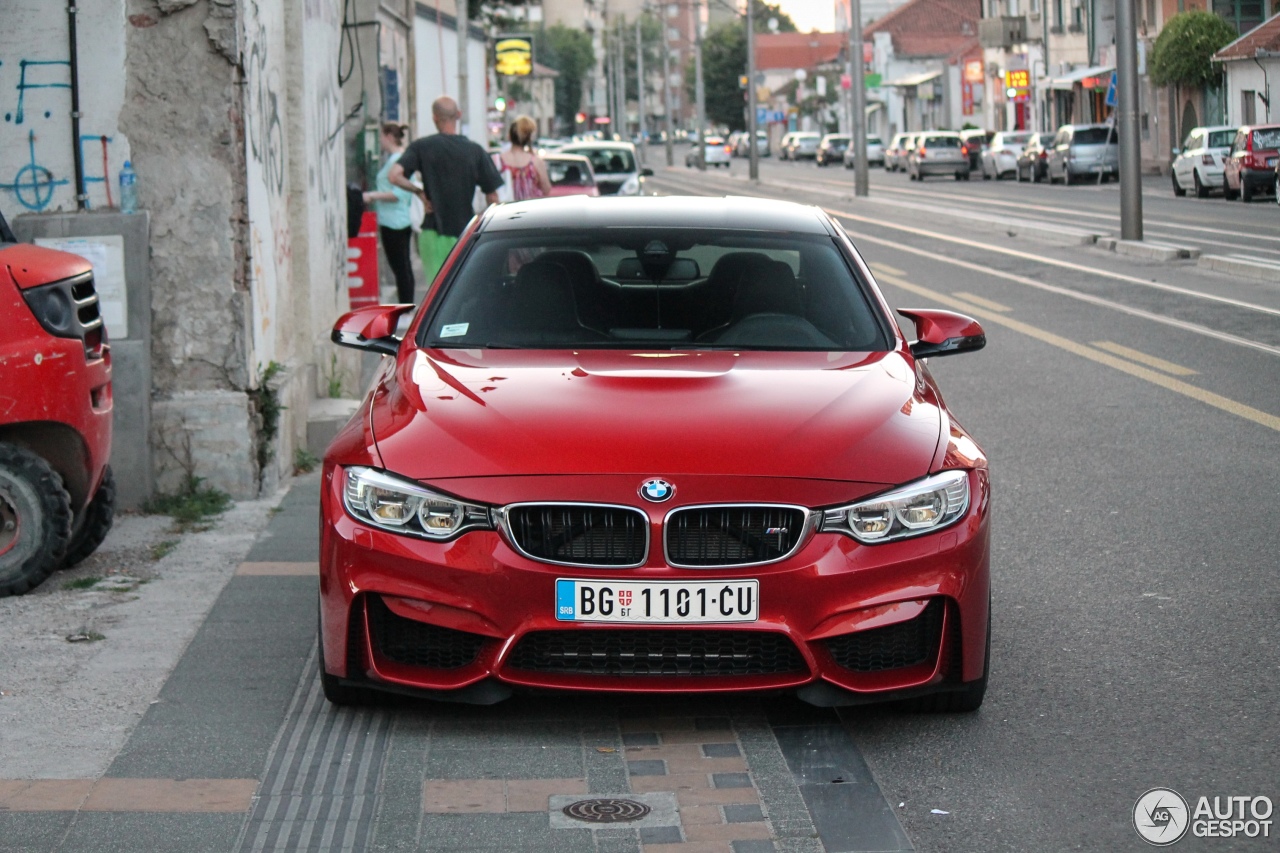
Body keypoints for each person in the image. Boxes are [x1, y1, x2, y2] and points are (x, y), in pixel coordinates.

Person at [389, 96, 503, 283]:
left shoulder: (421, 147)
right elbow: (493, 196)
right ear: (458, 115)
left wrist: (418, 192)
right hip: (465, 233)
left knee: (438, 295)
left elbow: (394, 175)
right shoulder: (475, 151)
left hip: (432, 233)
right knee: (465, 290)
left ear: (434, 118)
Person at [362, 122, 416, 304]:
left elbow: (398, 194)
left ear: (389, 137)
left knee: (401, 267)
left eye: (382, 137)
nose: (380, 142)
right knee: (402, 267)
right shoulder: (399, 159)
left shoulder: (398, 162)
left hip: (395, 221)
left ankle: (406, 305)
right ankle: (406, 304)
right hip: (394, 219)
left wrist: (373, 195)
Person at [495, 115, 552, 201]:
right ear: (528, 138)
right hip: (530, 211)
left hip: (506, 211)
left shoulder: (498, 160)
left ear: (509, 136)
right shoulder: (535, 162)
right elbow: (546, 189)